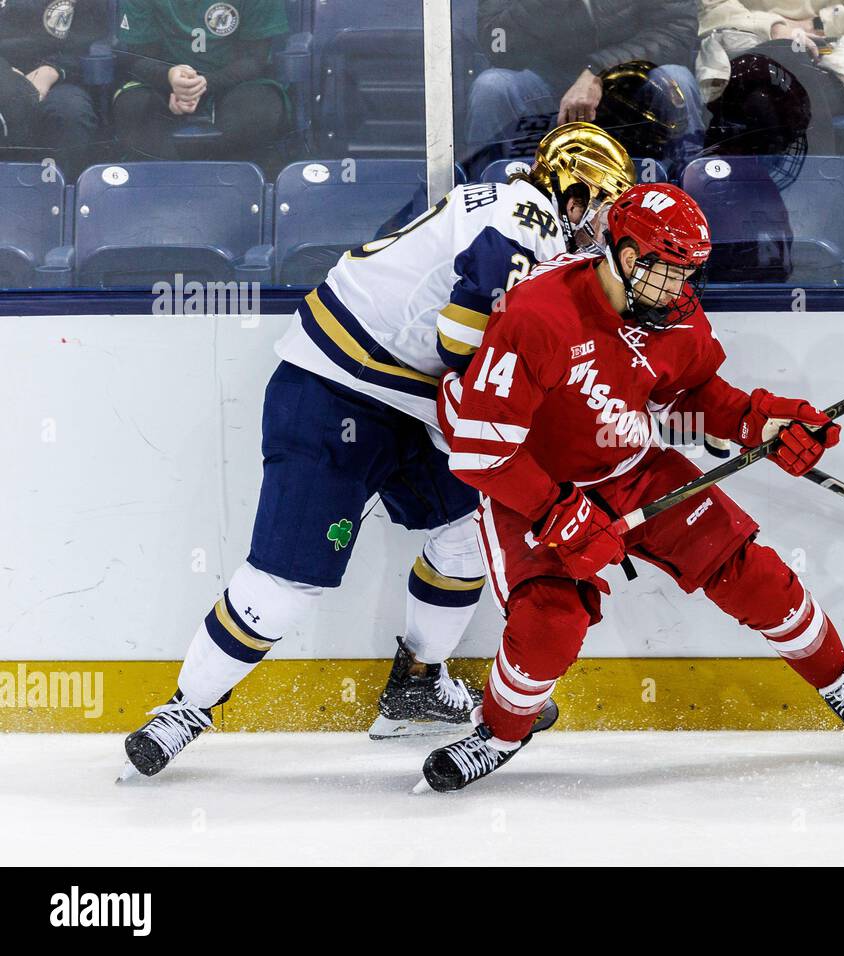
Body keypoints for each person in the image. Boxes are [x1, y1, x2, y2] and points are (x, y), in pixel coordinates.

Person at [119, 124, 637, 779]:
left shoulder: (497, 199)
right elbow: (464, 328)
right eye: (599, 206)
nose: (599, 228)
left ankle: (417, 683)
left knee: (468, 531)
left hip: (405, 399)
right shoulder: (526, 217)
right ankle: (183, 710)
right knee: (286, 580)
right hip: (337, 390)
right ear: (573, 193)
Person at [417, 183, 844, 792]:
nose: (682, 289)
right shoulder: (538, 314)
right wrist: (557, 511)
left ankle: (842, 684)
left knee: (754, 573)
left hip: (632, 469)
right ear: (627, 258)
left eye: (688, 274)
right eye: (670, 273)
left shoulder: (671, 314)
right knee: (549, 623)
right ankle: (496, 733)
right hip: (531, 484)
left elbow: (694, 396)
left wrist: (763, 421)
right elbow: (480, 450)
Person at [468, 0, 706, 176]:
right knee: (493, 87)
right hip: (546, 83)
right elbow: (496, 44)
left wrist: (598, 71)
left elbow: (677, 32)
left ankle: (688, 203)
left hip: (631, 84)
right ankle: (489, 207)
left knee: (677, 81)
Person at [696, 0, 844, 176]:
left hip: (828, 51)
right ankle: (819, 191)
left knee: (788, 71)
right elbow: (714, 6)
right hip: (749, 41)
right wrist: (773, 27)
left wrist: (820, 23)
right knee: (779, 66)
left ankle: (813, 194)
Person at [111, 0, 289, 161]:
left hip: (236, 84)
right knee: (133, 106)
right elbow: (139, 57)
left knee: (258, 111)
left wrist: (204, 84)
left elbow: (255, 58)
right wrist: (169, 77)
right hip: (164, 84)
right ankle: (169, 185)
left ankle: (227, 186)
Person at [0, 0, 108, 172]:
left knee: (71, 112)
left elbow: (94, 42)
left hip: (59, 75)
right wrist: (6, 73)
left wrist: (53, 70)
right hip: (4, 71)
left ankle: (70, 190)